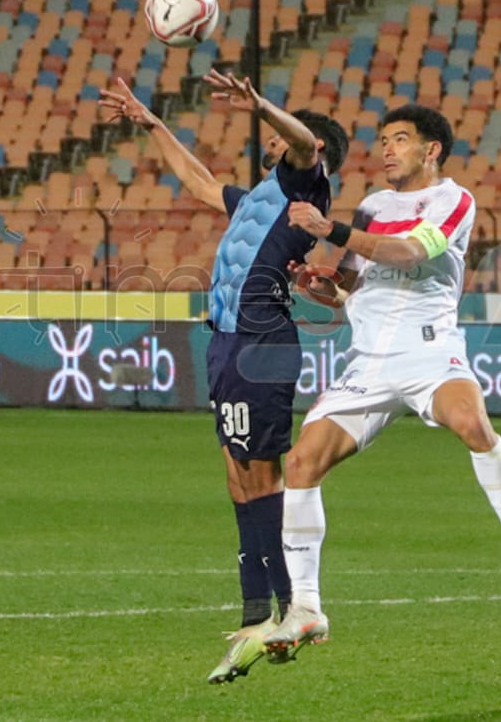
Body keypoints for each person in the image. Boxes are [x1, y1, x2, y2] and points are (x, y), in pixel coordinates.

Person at [264, 104, 501, 656]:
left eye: (400, 139)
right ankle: (306, 607)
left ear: (431, 150)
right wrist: (319, 284)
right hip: (368, 361)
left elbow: (409, 252)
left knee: (471, 422)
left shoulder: (454, 200)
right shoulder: (373, 206)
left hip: (429, 351)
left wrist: (330, 229)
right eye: (383, 140)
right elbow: (349, 288)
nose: (387, 149)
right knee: (301, 463)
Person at [98, 70, 348, 684]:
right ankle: (255, 609)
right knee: (237, 474)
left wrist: (261, 106)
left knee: (260, 473)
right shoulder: (263, 196)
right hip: (228, 339)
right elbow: (200, 181)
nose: (272, 141)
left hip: (262, 340)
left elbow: (304, 143)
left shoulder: (306, 181)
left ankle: (291, 608)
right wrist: (154, 124)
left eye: (283, 136)